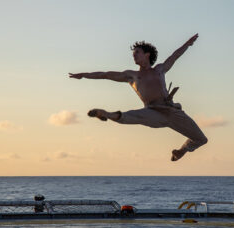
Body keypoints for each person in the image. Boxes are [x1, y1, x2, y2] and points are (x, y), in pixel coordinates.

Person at [69, 33, 207, 161]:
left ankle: (181, 151)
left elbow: (175, 56)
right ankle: (106, 114)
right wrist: (83, 74)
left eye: (137, 52)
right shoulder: (132, 76)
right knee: (133, 116)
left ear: (147, 55)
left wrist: (188, 43)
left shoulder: (159, 70)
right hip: (153, 112)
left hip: (173, 111)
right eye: (133, 53)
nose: (134, 55)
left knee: (201, 139)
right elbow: (105, 74)